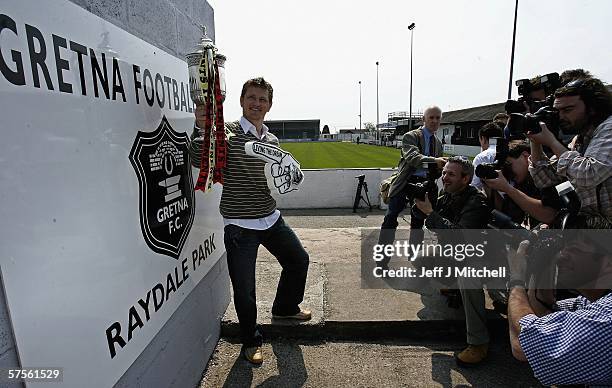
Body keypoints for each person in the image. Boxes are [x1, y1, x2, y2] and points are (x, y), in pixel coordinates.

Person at [192, 77, 311, 364]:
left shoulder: (272, 140)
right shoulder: (228, 132)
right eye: (252, 98)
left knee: (298, 260)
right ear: (242, 101)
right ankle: (251, 340)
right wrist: (201, 127)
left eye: (262, 99)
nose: (257, 104)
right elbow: (199, 156)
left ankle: (284, 307)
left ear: (269, 105)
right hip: (239, 225)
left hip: (270, 217)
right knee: (245, 289)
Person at [507, 215, 612, 386]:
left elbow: (524, 345)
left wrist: (517, 279)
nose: (560, 258)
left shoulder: (606, 318)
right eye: (562, 250)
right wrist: (542, 266)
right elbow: (543, 317)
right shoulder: (591, 302)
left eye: (575, 250)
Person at [414, 157, 491, 366]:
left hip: (484, 257)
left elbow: (460, 235)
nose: (444, 178)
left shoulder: (477, 201)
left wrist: (431, 213)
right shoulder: (447, 195)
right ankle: (455, 287)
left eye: (451, 174)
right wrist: (420, 204)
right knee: (421, 259)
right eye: (444, 173)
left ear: (466, 179)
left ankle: (478, 343)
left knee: (469, 276)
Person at [528, 75, 612, 219]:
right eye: (557, 111)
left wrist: (552, 142)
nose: (560, 117)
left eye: (567, 110)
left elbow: (589, 173)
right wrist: (534, 137)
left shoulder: (609, 128)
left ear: (592, 108)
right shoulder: (581, 138)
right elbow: (545, 179)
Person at [378, 106, 447, 267]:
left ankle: (414, 258)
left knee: (418, 224)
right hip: (405, 183)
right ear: (423, 119)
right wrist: (435, 161)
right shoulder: (411, 136)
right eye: (431, 117)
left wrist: (439, 168)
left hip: (424, 185)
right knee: (390, 220)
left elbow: (434, 172)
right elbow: (413, 157)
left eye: (437, 118)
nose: (435, 121)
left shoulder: (437, 142)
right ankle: (381, 262)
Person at [470, 121, 504, 191]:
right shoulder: (510, 151)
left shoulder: (481, 157)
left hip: (493, 199)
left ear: (483, 139)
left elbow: (475, 186)